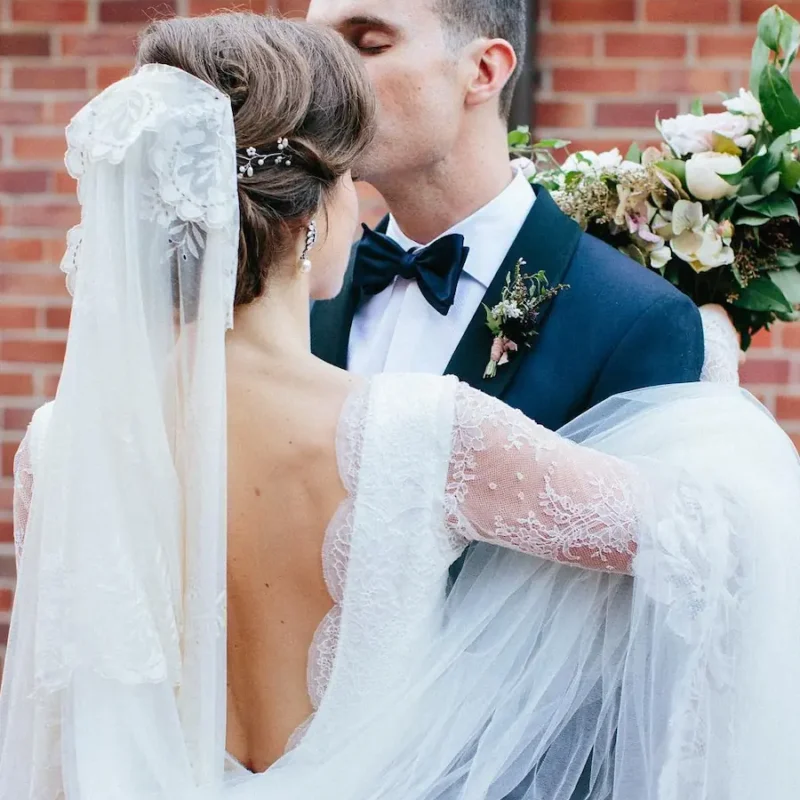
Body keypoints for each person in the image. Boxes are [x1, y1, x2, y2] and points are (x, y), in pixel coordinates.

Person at [1, 12, 799, 800]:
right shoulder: (422, 433)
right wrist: (712, 381)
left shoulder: (57, 447)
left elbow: (54, 723)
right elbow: (713, 540)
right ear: (313, 216)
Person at [306, 0, 704, 431]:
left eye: (368, 45)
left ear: (483, 71)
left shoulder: (635, 320)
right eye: (317, 49)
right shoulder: (300, 293)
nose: (321, 78)